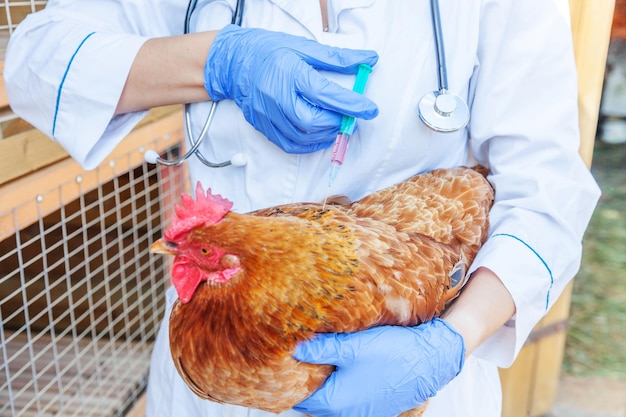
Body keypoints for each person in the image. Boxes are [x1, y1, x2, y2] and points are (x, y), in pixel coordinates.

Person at [4, 1, 600, 416]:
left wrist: (451, 343)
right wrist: (215, 59)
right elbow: (36, 60)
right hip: (217, 359)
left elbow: (547, 186)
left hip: (411, 351)